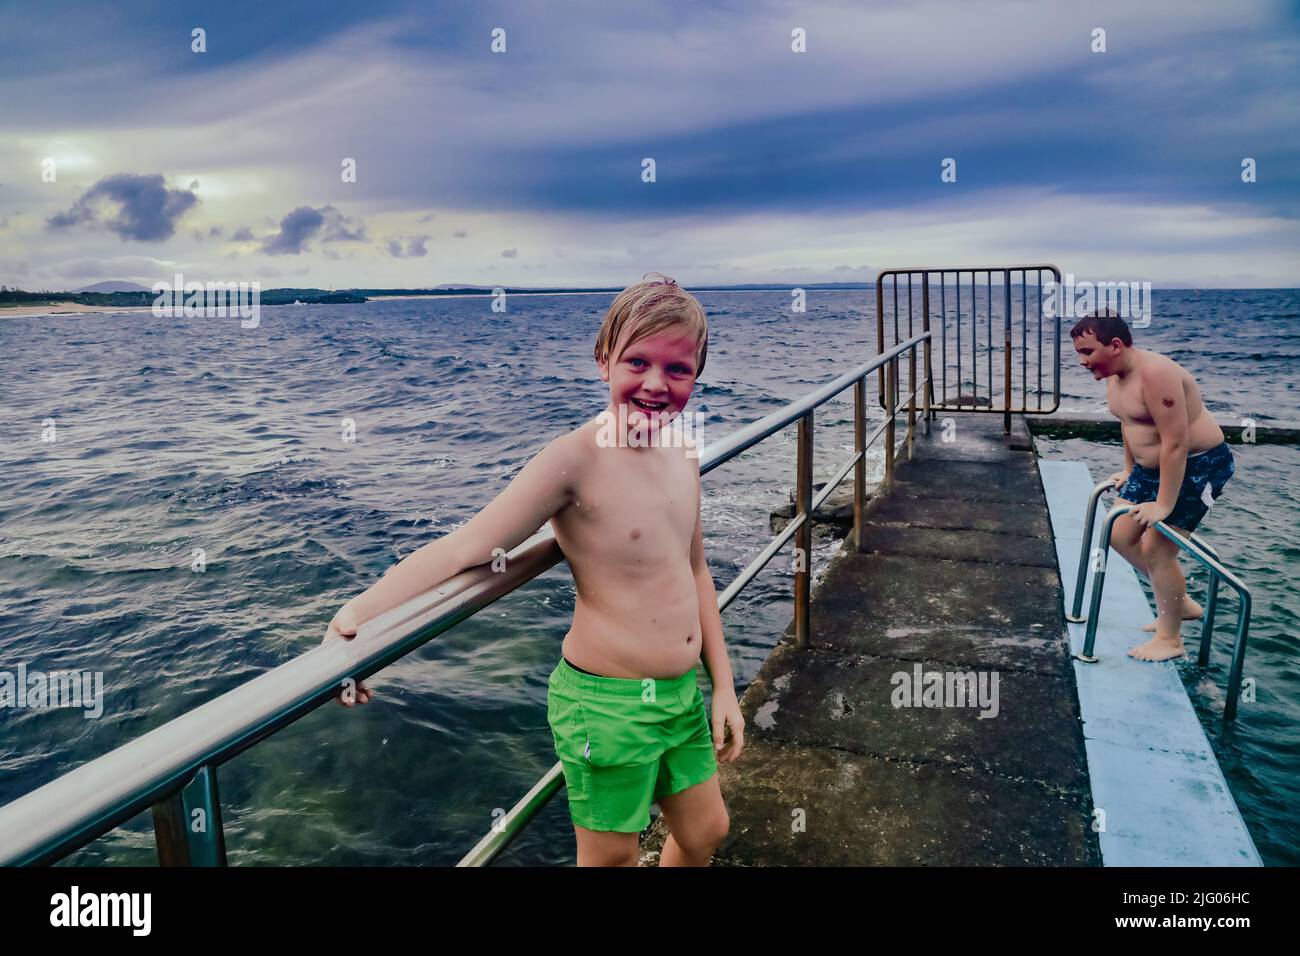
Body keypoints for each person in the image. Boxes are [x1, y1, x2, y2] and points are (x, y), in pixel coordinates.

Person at [322, 273, 744, 866]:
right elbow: (466, 546)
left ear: (696, 375)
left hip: (680, 694)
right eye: (637, 362)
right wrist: (359, 614)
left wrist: (722, 686)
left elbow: (695, 570)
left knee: (705, 833)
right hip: (606, 702)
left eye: (678, 369)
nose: (656, 383)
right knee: (612, 859)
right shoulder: (573, 461)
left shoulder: (682, 453)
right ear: (604, 361)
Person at [1070, 311, 1235, 661]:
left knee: (1158, 548)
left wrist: (1162, 505)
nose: (1082, 362)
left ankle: (1170, 639)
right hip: (1152, 469)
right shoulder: (1115, 377)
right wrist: (1129, 469)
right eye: (1079, 354)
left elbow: (1176, 442)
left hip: (1198, 465)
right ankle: (1179, 602)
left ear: (1115, 345)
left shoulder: (1156, 374)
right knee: (1118, 534)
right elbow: (1130, 424)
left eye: (1087, 352)